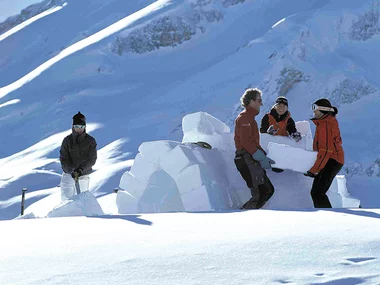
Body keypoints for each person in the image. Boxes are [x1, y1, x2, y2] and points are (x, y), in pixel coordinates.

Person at [234, 88, 275, 209]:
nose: (261, 103)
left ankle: (247, 216)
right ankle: (243, 220)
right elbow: (245, 141)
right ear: (251, 101)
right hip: (245, 158)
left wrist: (263, 156)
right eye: (259, 100)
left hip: (250, 158)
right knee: (260, 193)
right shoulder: (245, 118)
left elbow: (253, 142)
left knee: (267, 190)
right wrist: (260, 156)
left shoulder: (250, 118)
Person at [304, 99, 344, 208]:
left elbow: (326, 150)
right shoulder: (324, 123)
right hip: (331, 159)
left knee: (318, 193)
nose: (313, 112)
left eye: (315, 108)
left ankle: (327, 219)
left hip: (332, 160)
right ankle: (326, 218)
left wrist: (314, 170)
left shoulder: (325, 124)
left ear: (322, 110)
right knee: (316, 192)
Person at [59, 112, 97, 201]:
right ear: (73, 127)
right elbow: (64, 159)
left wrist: (80, 170)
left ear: (85, 127)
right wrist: (72, 171)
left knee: (82, 199)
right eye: (76, 127)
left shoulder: (90, 141)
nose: (79, 129)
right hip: (69, 174)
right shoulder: (67, 141)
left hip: (83, 174)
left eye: (81, 127)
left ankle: (82, 214)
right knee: (66, 200)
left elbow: (92, 159)